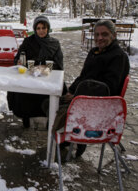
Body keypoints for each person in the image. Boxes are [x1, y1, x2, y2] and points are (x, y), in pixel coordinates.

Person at [55, 19, 130, 157]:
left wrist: (77, 96)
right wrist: (71, 90)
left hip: (98, 108)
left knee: (54, 109)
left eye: (104, 34)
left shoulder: (118, 57)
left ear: (114, 35)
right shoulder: (94, 52)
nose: (99, 38)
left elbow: (108, 88)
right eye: (97, 35)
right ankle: (68, 138)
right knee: (50, 101)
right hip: (83, 99)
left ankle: (74, 138)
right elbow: (83, 76)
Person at [7, 15, 64, 128]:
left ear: (48, 28)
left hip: (48, 77)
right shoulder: (28, 41)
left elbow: (59, 64)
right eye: (38, 28)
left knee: (57, 91)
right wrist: (19, 62)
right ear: (35, 29)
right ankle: (26, 117)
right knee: (21, 91)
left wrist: (45, 67)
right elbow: (18, 58)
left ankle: (50, 118)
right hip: (30, 76)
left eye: (43, 28)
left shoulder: (54, 43)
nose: (41, 31)